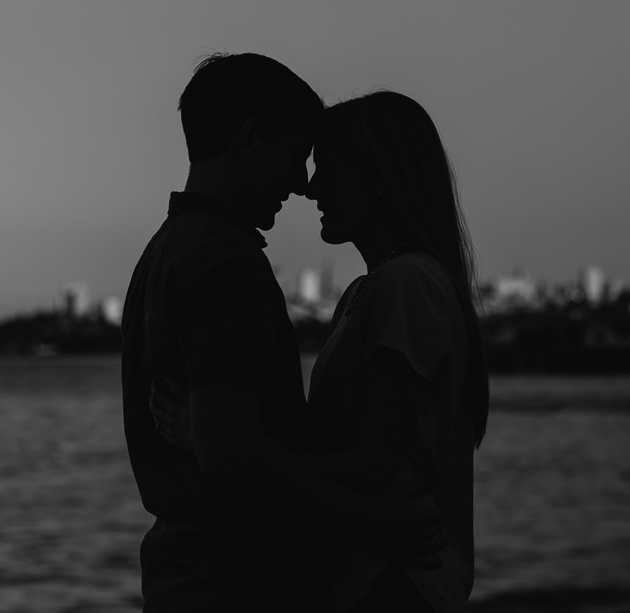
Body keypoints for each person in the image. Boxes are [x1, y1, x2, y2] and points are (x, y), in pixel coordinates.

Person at [122, 54, 442, 613]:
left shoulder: (162, 253)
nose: (302, 185)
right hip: (241, 582)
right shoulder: (225, 261)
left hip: (184, 577)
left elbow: (228, 446)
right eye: (296, 158)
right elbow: (233, 458)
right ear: (249, 140)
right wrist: (376, 522)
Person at [303, 90, 490, 612]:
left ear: (380, 177)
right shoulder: (371, 290)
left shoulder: (406, 285)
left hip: (394, 585)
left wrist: (234, 457)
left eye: (331, 169)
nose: (312, 187)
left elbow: (369, 464)